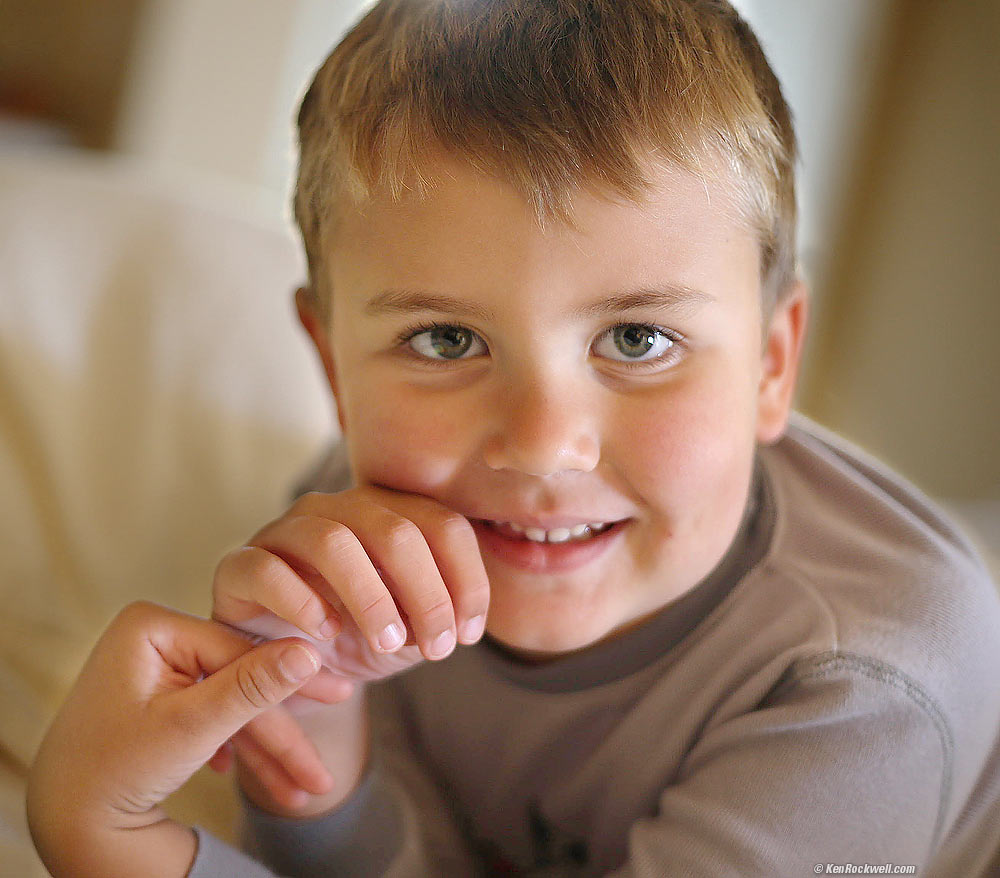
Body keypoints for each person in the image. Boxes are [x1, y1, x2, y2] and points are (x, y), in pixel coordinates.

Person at [27, 0, 1000, 875]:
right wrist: (322, 751)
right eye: (444, 339)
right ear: (332, 367)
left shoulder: (872, 674)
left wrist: (112, 842)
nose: (540, 445)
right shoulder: (360, 541)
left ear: (772, 364)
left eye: (638, 338)